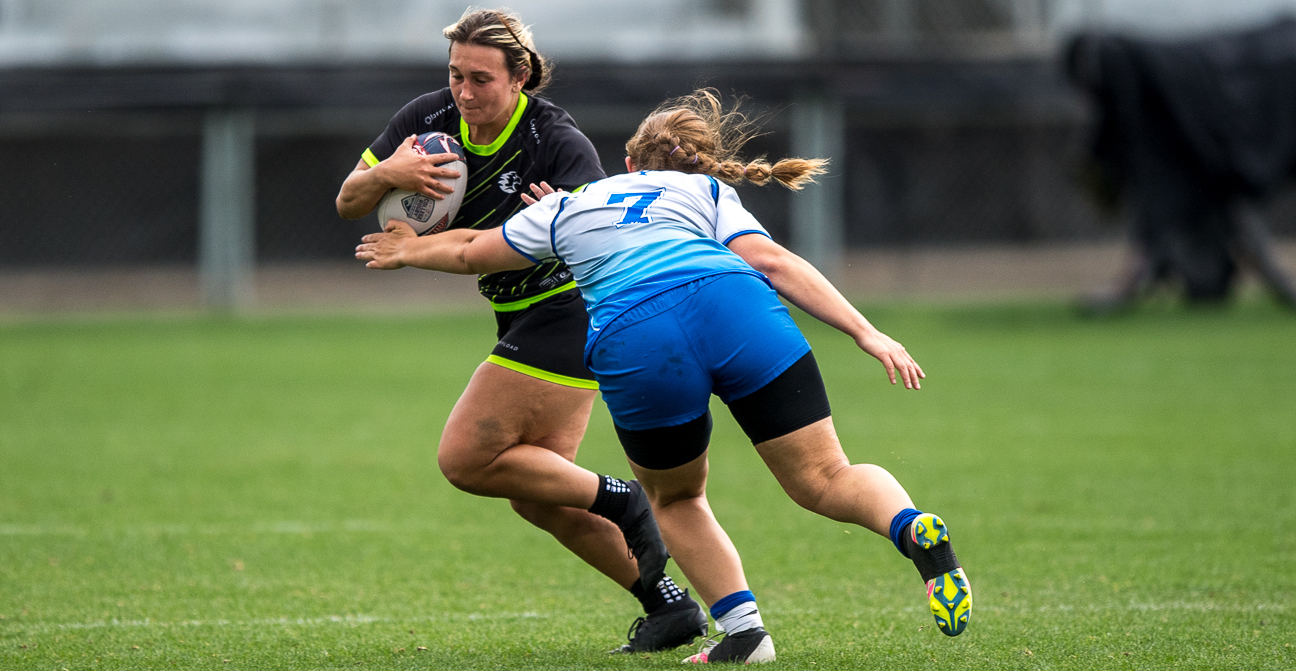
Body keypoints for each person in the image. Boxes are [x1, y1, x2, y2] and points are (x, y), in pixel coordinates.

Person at [355, 89, 973, 663]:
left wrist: (405, 248)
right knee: (826, 476)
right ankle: (909, 525)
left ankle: (745, 634)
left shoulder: (568, 206)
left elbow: (468, 250)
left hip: (638, 333)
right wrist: (867, 332)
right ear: (699, 168)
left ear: (626, 162)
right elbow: (773, 262)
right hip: (738, 309)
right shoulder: (705, 195)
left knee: (677, 496)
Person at [334, 8, 707, 653]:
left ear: (521, 77)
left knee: (466, 458)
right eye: (455, 75)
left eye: (480, 78)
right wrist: (388, 175)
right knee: (538, 495)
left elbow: (531, 243)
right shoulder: (425, 120)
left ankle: (623, 500)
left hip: (574, 308)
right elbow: (348, 201)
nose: (464, 92)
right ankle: (667, 606)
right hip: (521, 315)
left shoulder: (557, 142)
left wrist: (417, 249)